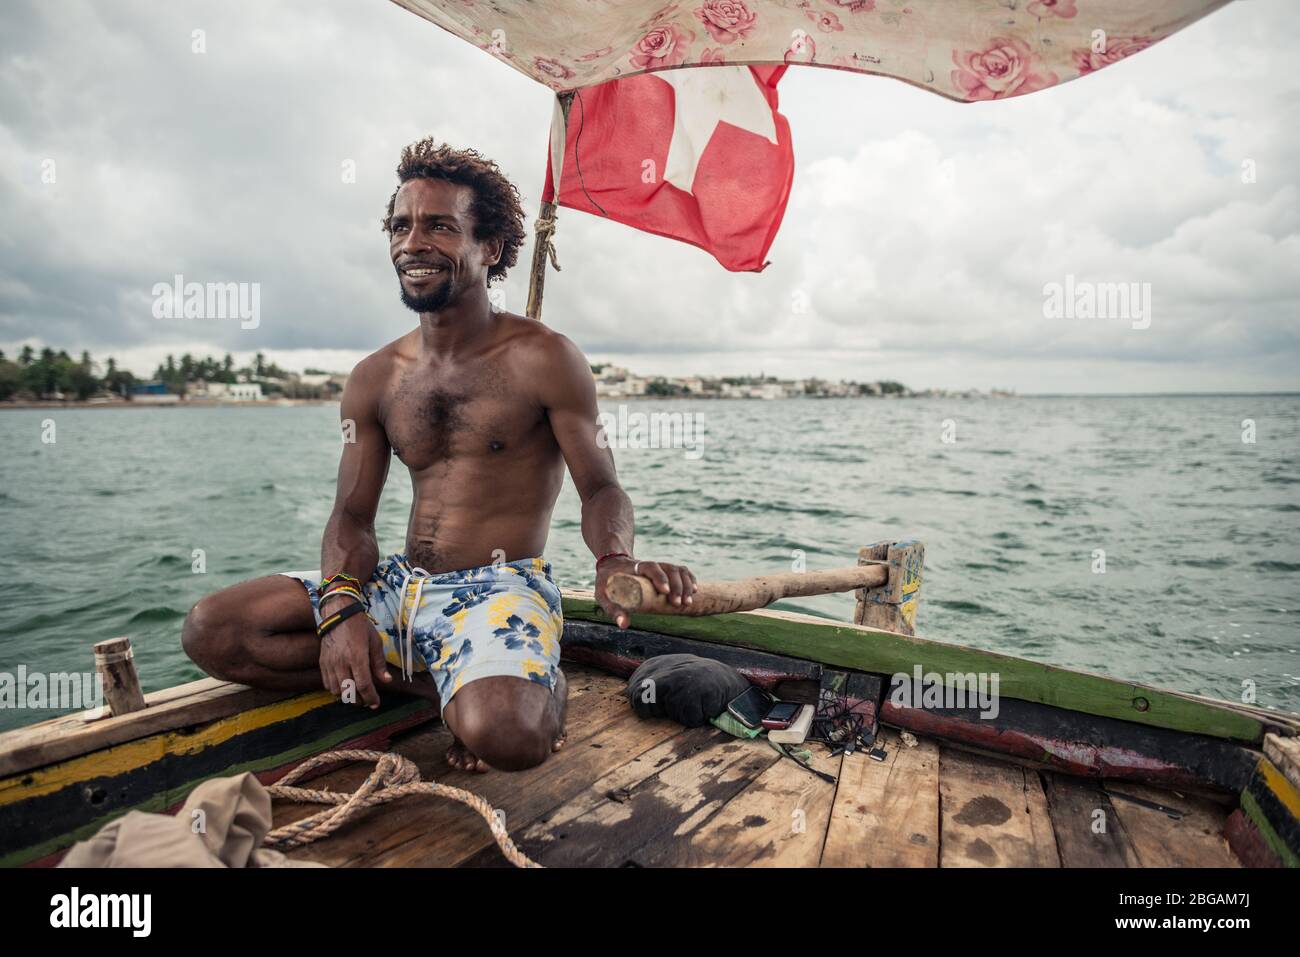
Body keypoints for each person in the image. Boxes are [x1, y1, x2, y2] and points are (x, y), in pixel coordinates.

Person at [182, 138, 697, 773]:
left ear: (492, 249)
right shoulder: (375, 376)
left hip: (500, 588)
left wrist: (615, 557)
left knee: (508, 739)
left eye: (440, 227)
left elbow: (601, 489)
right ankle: (445, 684)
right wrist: (343, 604)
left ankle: (529, 688)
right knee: (215, 630)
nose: (411, 243)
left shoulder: (546, 358)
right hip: (400, 587)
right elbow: (351, 516)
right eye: (401, 226)